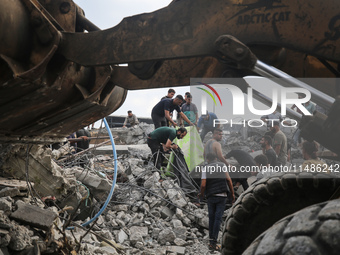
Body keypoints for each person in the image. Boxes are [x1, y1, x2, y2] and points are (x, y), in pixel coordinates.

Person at [199, 152, 234, 251]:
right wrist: (232, 194)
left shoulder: (206, 168)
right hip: (222, 196)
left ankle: (211, 242)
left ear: (208, 160)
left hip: (211, 196)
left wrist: (201, 195)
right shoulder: (222, 165)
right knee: (218, 219)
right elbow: (229, 180)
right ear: (216, 159)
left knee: (212, 218)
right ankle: (214, 242)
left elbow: (203, 185)